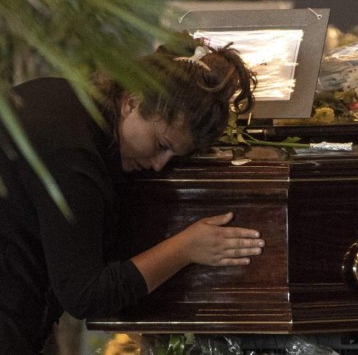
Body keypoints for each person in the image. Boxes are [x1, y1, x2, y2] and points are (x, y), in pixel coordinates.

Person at [0, 33, 264, 354]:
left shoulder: (61, 101)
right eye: (161, 145)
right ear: (132, 101)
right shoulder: (73, 153)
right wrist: (185, 247)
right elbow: (84, 295)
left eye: (175, 157)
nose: (158, 165)